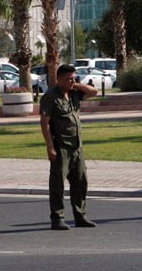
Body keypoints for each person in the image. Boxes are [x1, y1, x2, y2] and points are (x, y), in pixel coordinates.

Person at [40, 64, 98, 230]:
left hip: (77, 146)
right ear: (58, 79)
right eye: (68, 79)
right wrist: (49, 147)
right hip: (61, 146)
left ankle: (80, 216)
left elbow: (93, 92)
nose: (72, 81)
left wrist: (75, 84)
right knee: (58, 183)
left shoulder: (74, 93)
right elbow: (45, 123)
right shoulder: (50, 97)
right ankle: (57, 218)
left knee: (80, 181)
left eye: (74, 78)